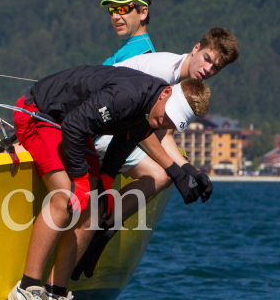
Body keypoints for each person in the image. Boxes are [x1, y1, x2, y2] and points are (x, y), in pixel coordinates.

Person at [7, 65, 212, 300]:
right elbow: (74, 126)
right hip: (38, 115)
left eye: (172, 125)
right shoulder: (127, 95)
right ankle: (26, 289)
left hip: (67, 125)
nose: (164, 124)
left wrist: (105, 179)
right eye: (166, 117)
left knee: (94, 205)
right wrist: (80, 181)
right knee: (66, 195)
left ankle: (55, 294)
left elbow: (128, 136)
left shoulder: (150, 106)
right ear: (165, 95)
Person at [70, 27, 240, 279]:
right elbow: (140, 128)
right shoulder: (162, 72)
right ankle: (101, 227)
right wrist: (177, 170)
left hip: (119, 130)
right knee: (161, 173)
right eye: (207, 59)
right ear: (195, 48)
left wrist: (191, 171)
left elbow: (163, 135)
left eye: (216, 68)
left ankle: (104, 230)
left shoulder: (184, 82)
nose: (208, 69)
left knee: (160, 176)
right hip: (94, 125)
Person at [101, 0, 155, 65]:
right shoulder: (130, 49)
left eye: (123, 9)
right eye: (112, 10)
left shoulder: (142, 58)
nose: (115, 16)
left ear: (143, 13)